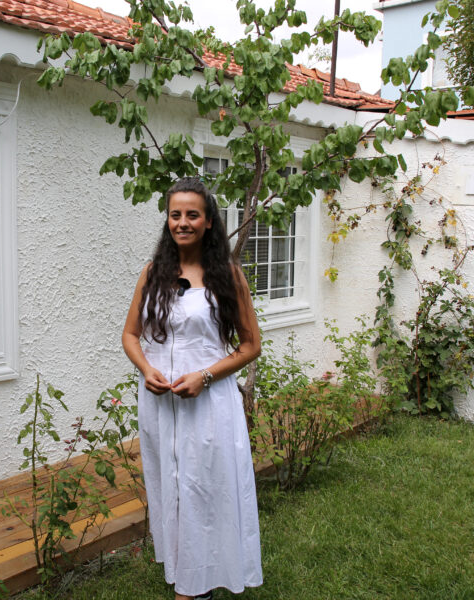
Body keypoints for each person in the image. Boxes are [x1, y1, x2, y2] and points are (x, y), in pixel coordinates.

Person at [122, 177, 263, 600]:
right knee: (172, 488)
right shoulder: (152, 273)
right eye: (175, 215)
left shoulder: (228, 276)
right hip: (161, 405)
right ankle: (187, 574)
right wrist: (146, 368)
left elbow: (251, 345)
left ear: (208, 222)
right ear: (168, 220)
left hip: (209, 404)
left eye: (192, 215)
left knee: (205, 489)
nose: (182, 222)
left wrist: (204, 376)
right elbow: (131, 334)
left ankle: (198, 584)